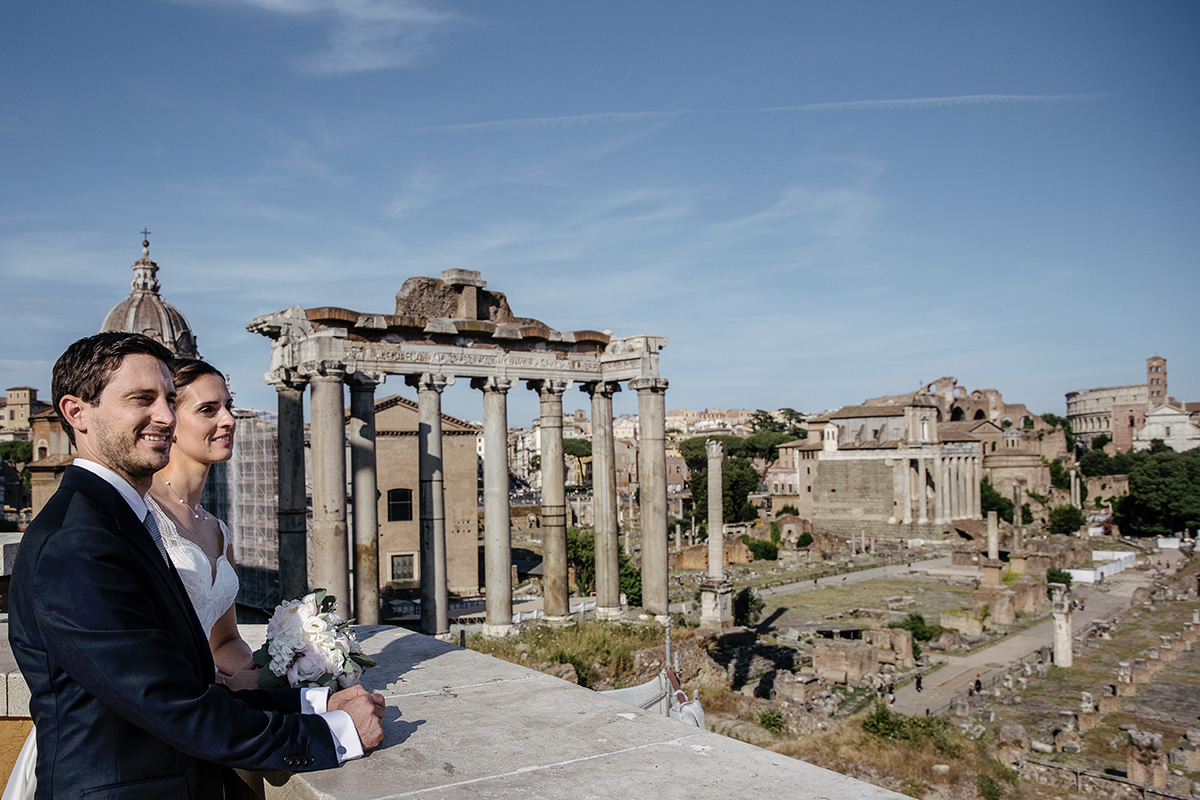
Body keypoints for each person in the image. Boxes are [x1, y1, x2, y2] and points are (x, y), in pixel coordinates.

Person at [7, 333, 385, 800]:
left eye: (168, 399)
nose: (165, 416)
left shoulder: (118, 519)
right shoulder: (78, 541)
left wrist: (311, 700)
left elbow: (184, 674)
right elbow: (172, 702)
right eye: (141, 399)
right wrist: (334, 733)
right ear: (76, 412)